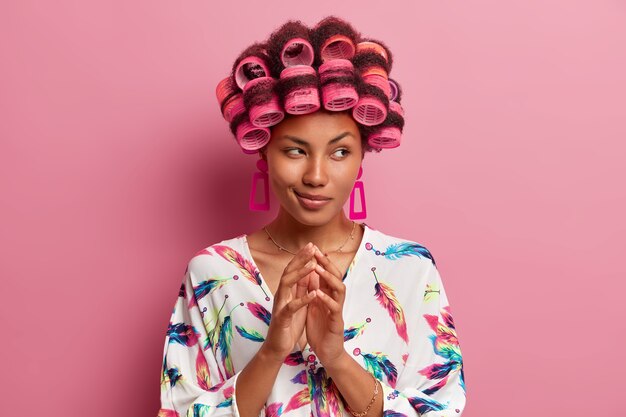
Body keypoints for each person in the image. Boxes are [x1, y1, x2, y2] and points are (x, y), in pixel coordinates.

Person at [157, 17, 466, 417]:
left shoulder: (408, 269)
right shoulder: (211, 274)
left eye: (339, 152)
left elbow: (440, 409)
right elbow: (179, 411)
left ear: (362, 156)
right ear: (263, 152)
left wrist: (335, 356)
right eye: (295, 151)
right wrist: (271, 352)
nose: (317, 176)